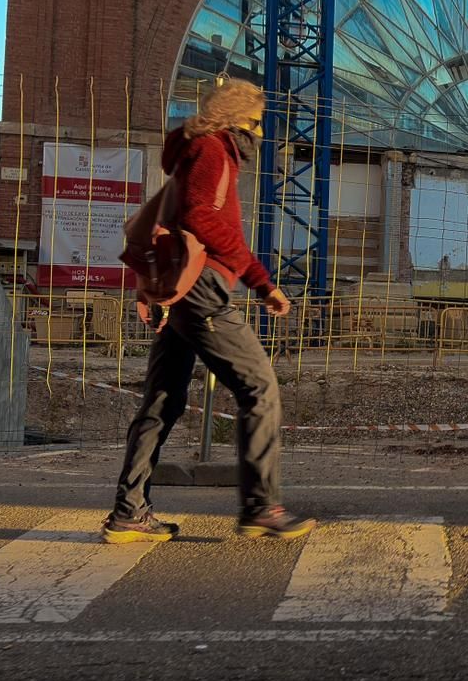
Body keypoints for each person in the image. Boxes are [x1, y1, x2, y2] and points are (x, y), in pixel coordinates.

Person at [102, 79, 312, 544]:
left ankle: (129, 512)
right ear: (241, 118)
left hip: (182, 291)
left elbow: (172, 217)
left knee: (161, 401)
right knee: (259, 387)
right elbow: (199, 215)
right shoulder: (215, 150)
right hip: (202, 288)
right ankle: (261, 508)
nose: (259, 133)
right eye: (257, 121)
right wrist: (261, 281)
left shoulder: (192, 151)